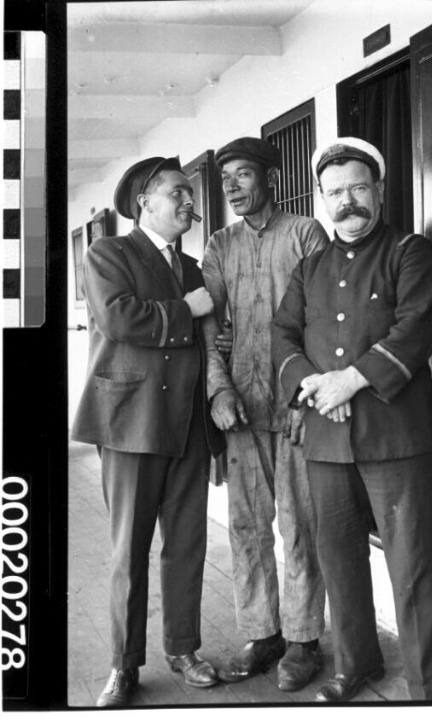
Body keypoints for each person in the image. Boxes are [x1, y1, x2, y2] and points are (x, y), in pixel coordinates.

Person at [272, 137, 432, 702]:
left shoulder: (411, 252)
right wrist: (315, 383)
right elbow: (283, 335)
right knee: (339, 561)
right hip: (327, 439)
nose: (346, 201)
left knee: (414, 568)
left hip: (397, 439)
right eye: (334, 192)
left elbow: (415, 328)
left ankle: (431, 693)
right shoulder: (310, 267)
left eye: (357, 188)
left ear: (378, 189)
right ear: (321, 200)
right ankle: (357, 665)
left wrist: (350, 380)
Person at [71, 156, 225, 707]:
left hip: (187, 428)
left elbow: (207, 346)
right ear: (145, 202)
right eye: (178, 193)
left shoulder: (191, 267)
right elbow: (119, 318)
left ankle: (183, 650)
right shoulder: (108, 253)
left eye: (190, 194)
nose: (190, 202)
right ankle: (123, 664)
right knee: (128, 552)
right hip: (130, 425)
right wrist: (186, 309)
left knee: (186, 547)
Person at [202, 137, 328, 692]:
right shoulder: (219, 244)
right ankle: (263, 633)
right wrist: (217, 391)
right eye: (226, 177)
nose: (231, 186)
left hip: (294, 406)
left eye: (243, 174)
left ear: (270, 178)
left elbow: (326, 321)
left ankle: (304, 641)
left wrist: (307, 398)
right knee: (248, 528)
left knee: (300, 526)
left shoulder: (304, 233)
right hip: (241, 410)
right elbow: (206, 328)